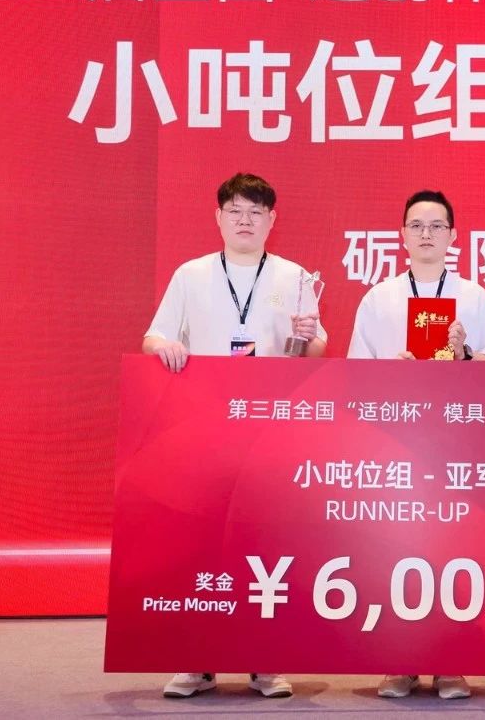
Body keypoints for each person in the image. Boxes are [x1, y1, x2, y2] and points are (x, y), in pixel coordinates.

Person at [143, 172, 325, 699]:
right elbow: (155, 334)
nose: (245, 220)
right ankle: (195, 663)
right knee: (201, 542)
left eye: (255, 212)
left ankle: (264, 661)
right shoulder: (191, 274)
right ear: (218, 218)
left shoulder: (294, 276)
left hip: (269, 432)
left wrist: (309, 337)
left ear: (272, 220)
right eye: (235, 211)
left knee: (264, 542)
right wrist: (164, 348)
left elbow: (313, 351)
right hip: (204, 430)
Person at [348, 189, 485, 699]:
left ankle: (450, 663)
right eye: (416, 225)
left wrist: (463, 356)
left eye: (437, 226)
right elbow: (355, 374)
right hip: (395, 443)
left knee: (455, 550)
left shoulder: (475, 297)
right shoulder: (379, 298)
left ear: (453, 236)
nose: (426, 234)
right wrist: (391, 373)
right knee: (396, 549)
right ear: (401, 235)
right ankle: (399, 661)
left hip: (455, 444)